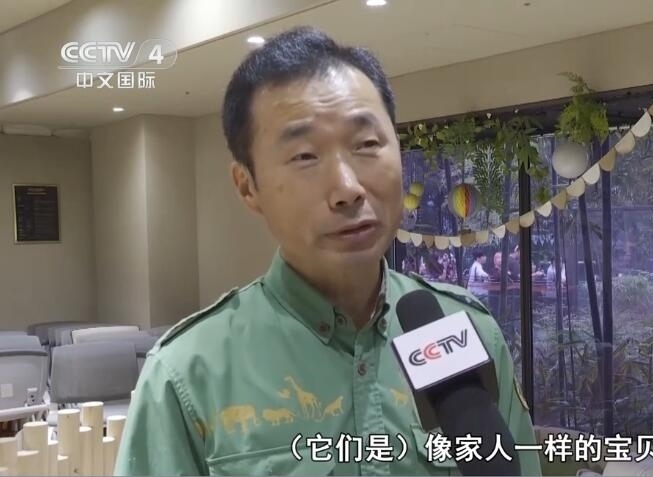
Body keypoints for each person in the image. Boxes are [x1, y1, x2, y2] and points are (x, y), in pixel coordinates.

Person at [114, 27, 541, 476]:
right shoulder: (187, 374)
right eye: (304, 156)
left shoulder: (467, 330)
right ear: (248, 186)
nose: (347, 188)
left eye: (367, 145)